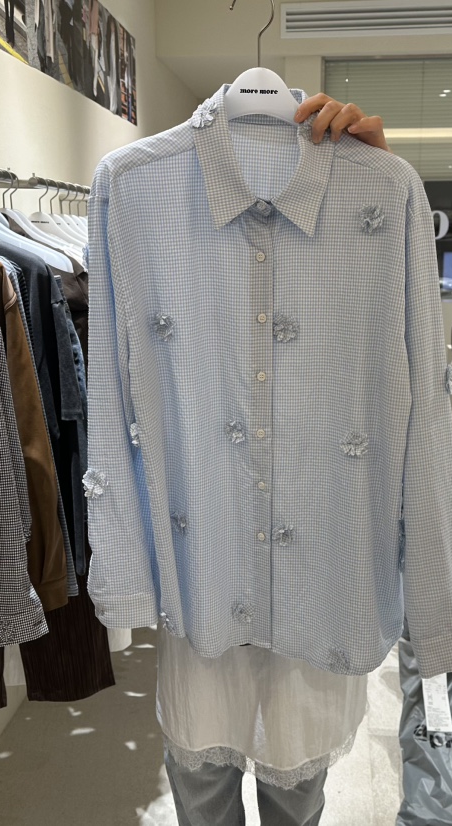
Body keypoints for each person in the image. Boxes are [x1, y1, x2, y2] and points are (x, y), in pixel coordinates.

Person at [160, 92, 396, 826]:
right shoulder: (145, 193)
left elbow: (401, 388)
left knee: (296, 780)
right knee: (202, 775)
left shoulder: (379, 194)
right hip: (209, 557)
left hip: (316, 572)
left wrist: (372, 193)